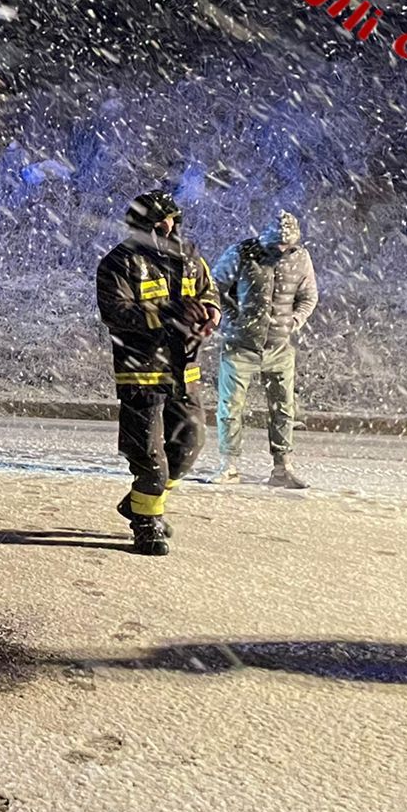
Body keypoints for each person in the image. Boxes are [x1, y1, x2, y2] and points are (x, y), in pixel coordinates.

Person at [96, 190, 220, 555]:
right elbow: (116, 314)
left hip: (185, 372)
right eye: (160, 222)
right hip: (141, 375)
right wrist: (169, 316)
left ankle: (139, 502)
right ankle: (146, 523)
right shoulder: (119, 264)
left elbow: (209, 293)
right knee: (149, 457)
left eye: (173, 220)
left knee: (189, 445)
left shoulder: (192, 259)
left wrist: (211, 313)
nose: (169, 227)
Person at [211, 210, 319, 489]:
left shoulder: (301, 257)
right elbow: (214, 288)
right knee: (231, 406)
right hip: (240, 345)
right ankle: (229, 464)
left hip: (280, 346)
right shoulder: (242, 253)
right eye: (277, 247)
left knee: (284, 408)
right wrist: (231, 319)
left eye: (288, 247)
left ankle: (282, 466)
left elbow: (308, 295)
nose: (283, 251)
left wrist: (295, 320)